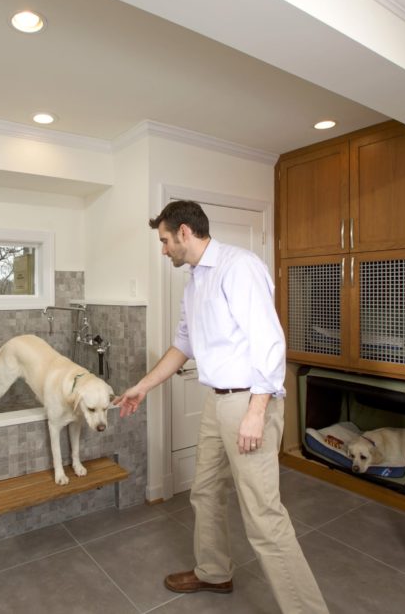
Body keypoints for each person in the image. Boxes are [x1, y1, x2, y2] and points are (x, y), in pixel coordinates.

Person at [113, 201, 329, 614]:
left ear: (184, 233)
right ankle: (214, 571)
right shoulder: (195, 281)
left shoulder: (239, 267)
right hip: (217, 402)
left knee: (264, 516)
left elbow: (269, 341)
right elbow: (183, 345)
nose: (162, 250)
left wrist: (256, 411)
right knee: (206, 490)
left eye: (164, 241)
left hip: (250, 400)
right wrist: (143, 386)